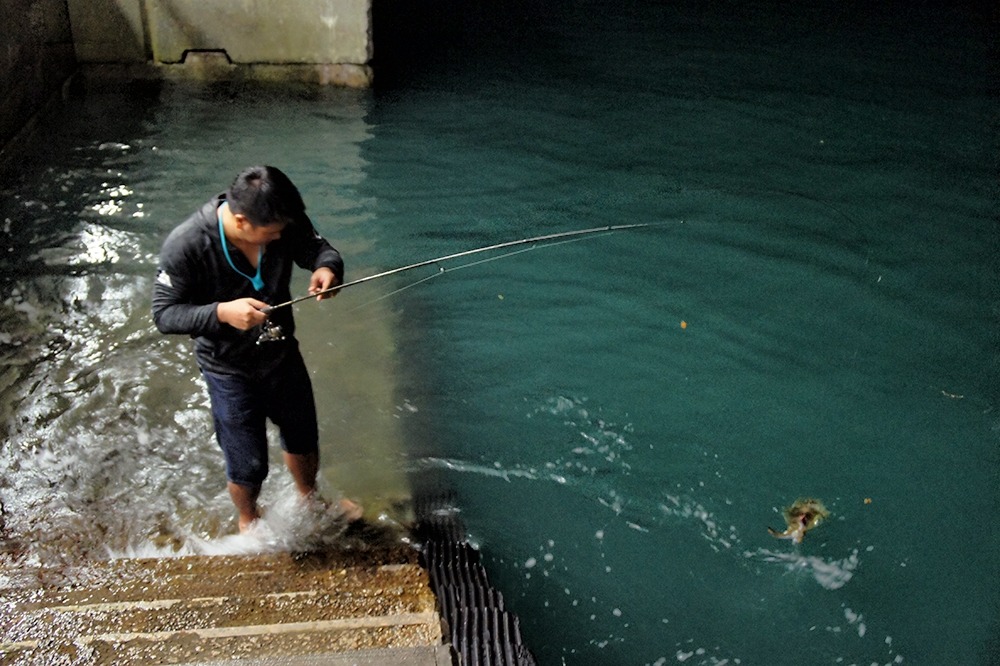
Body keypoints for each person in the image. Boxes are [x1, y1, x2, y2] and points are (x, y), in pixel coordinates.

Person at [152, 165, 361, 533]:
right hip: (227, 367)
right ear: (242, 220)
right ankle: (248, 518)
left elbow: (317, 248)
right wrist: (222, 312)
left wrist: (327, 268)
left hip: (281, 351)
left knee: (302, 433)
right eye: (273, 232)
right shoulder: (186, 245)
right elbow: (165, 314)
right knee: (247, 460)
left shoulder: (283, 219)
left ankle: (309, 498)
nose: (281, 235)